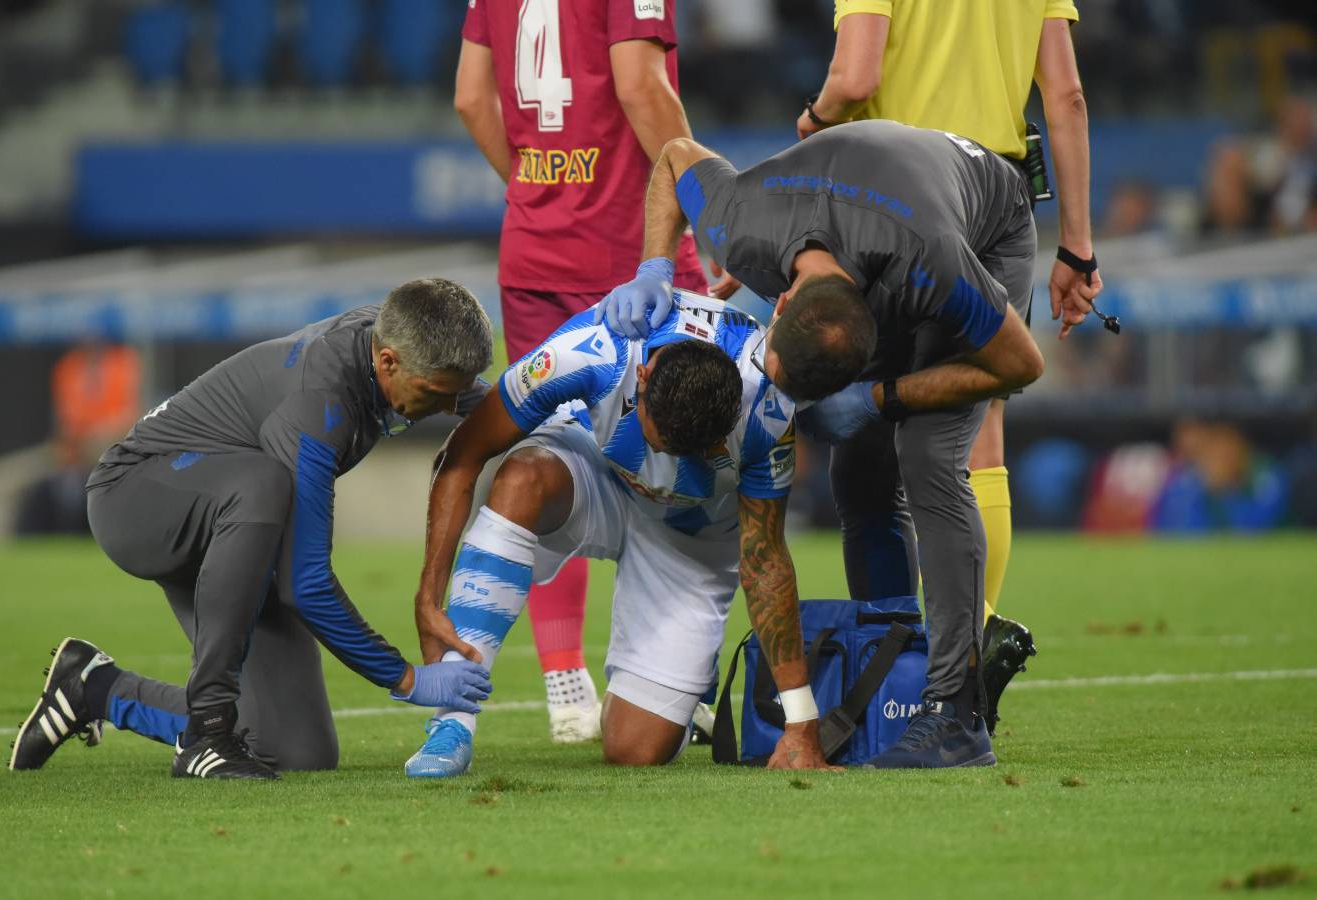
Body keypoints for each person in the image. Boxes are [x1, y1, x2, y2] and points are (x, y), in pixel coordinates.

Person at [596, 123, 1045, 767]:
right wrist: (655, 268)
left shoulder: (935, 266)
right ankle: (887, 666)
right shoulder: (738, 225)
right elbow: (673, 157)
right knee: (859, 467)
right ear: (779, 302)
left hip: (982, 223)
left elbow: (1021, 366)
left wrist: (879, 398)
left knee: (926, 459)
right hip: (873, 219)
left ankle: (956, 713)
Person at [9, 280, 495, 780]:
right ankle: (208, 734)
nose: (444, 408)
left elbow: (478, 396)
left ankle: (93, 688)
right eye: (436, 395)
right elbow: (305, 585)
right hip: (137, 499)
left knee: (297, 751)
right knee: (265, 483)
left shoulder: (391, 340)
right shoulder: (318, 402)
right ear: (389, 362)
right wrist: (408, 678)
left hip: (236, 521)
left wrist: (553, 416)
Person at [792, 0, 1102, 730]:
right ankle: (971, 648)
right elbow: (1067, 97)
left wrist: (812, 121)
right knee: (973, 434)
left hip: (895, 196)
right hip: (999, 204)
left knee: (871, 453)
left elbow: (855, 72)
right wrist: (1078, 248)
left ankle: (902, 669)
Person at [404, 289, 860, 776]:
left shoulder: (768, 415)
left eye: (692, 454)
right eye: (659, 443)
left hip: (692, 541)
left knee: (634, 750)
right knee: (522, 477)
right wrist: (428, 597)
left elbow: (765, 559)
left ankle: (685, 702)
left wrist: (801, 721)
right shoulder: (587, 352)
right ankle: (452, 721)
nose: (667, 466)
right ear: (641, 379)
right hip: (597, 473)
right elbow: (462, 457)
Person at [452, 0, 722, 744]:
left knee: (552, 451)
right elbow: (641, 87)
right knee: (681, 446)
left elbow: (471, 97)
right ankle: (679, 680)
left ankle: (563, 680)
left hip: (535, 248)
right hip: (634, 251)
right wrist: (702, 210)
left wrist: (539, 194)